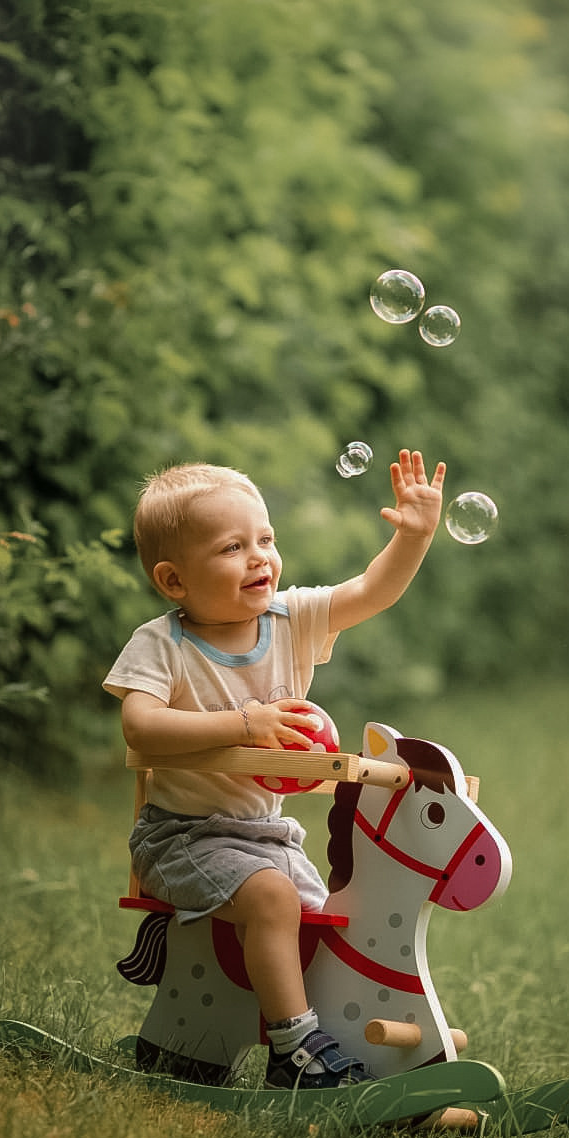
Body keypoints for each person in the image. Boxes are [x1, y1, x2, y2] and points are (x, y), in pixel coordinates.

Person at [103, 448, 446, 1090]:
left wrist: (414, 537)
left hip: (270, 837)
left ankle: (344, 1039)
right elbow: (140, 726)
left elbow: (372, 591)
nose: (259, 556)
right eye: (232, 547)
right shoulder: (162, 644)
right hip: (181, 836)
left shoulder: (291, 621)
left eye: (265, 538)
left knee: (331, 921)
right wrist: (244, 725)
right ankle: (294, 1052)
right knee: (271, 898)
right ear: (175, 581)